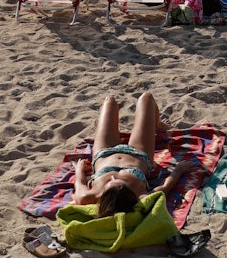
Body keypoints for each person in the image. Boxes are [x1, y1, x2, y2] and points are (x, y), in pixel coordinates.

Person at [71, 92, 199, 218]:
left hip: (104, 153)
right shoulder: (142, 197)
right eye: (120, 182)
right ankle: (157, 125)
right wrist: (179, 169)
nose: (113, 178)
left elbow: (79, 183)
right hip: (139, 153)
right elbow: (165, 187)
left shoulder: (87, 197)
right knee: (146, 98)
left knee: (109, 101)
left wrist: (79, 170)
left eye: (109, 182)